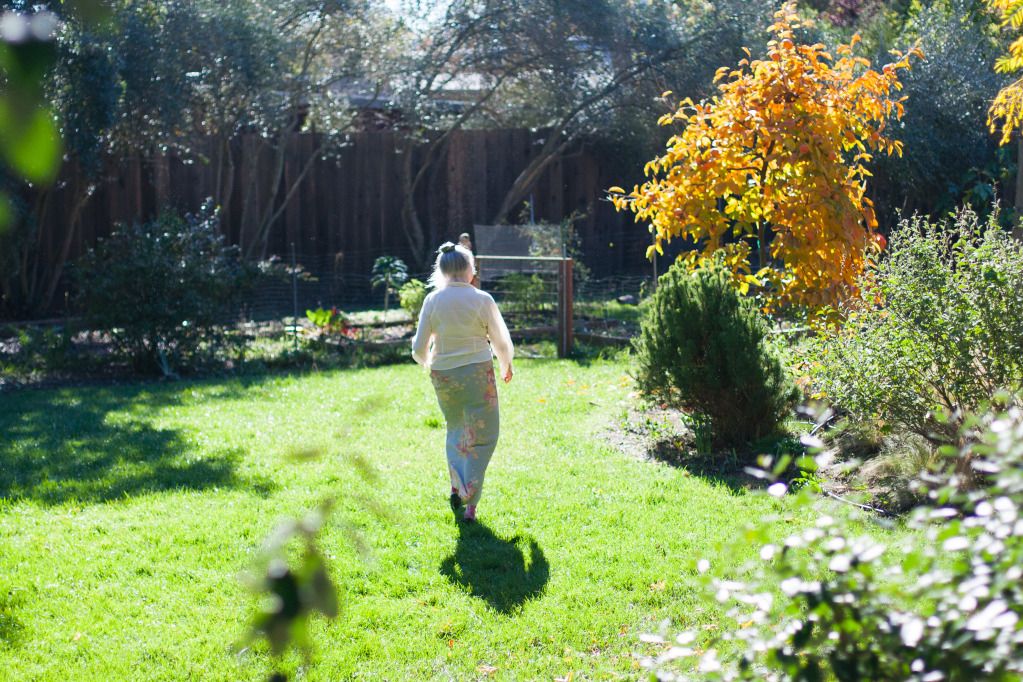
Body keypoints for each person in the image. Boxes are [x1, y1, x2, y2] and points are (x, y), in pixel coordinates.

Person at [411, 242, 514, 523]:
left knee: (456, 429)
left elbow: (419, 348)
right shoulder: (482, 299)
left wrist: (429, 364)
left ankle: (457, 485)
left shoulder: (432, 300)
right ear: (470, 270)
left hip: (444, 374)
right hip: (477, 372)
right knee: (484, 434)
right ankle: (470, 500)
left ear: (442, 271)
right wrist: (506, 364)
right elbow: (501, 340)